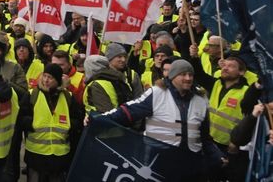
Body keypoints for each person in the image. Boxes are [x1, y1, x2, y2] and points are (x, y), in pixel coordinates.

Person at [94, 59, 225, 177]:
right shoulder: (157, 93)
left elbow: (205, 138)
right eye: (183, 74)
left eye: (191, 75)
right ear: (173, 76)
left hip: (190, 163)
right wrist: (98, 119)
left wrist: (217, 156)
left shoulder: (201, 100)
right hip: (158, 160)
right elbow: (127, 111)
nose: (188, 78)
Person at [193, 56, 260, 182]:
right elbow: (198, 73)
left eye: (231, 66)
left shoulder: (247, 93)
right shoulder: (215, 84)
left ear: (241, 72)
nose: (225, 68)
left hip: (233, 147)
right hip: (211, 143)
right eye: (224, 65)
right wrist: (194, 56)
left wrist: (236, 144)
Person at [23, 64, 83, 182]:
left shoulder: (67, 96)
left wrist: (70, 126)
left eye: (50, 77)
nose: (45, 80)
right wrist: (31, 123)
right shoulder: (31, 95)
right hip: (36, 154)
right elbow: (22, 117)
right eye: (44, 76)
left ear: (58, 80)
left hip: (59, 155)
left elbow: (77, 118)